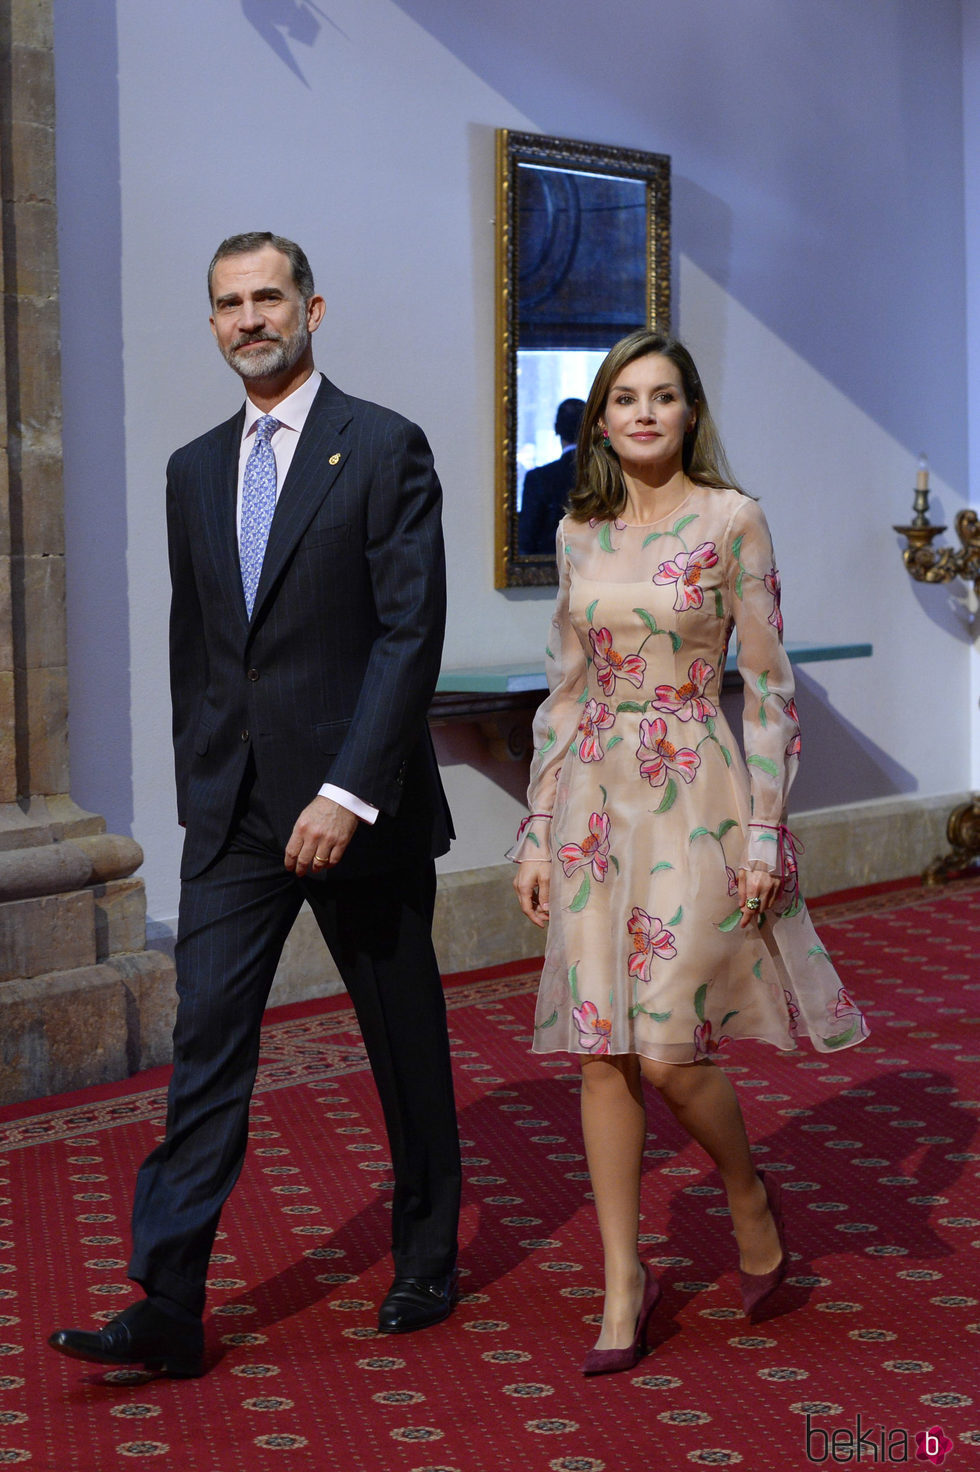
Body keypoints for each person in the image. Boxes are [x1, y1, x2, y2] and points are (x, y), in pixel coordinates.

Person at [49, 232, 462, 1378]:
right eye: (227, 303)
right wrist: (199, 776)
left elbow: (405, 634)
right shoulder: (191, 467)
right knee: (206, 1040)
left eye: (266, 296)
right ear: (214, 321)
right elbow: (204, 647)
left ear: (312, 307)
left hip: (352, 806)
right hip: (233, 814)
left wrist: (347, 789)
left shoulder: (381, 446)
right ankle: (170, 1299)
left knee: (400, 1037)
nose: (247, 318)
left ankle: (426, 1252)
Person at [510, 328, 868, 1376]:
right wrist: (535, 824)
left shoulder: (731, 519)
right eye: (625, 396)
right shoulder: (578, 530)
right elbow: (563, 688)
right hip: (589, 796)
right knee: (599, 1044)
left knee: (667, 1049)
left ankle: (746, 1190)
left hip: (694, 792)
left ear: (689, 412)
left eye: (663, 396)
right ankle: (623, 1279)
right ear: (602, 416)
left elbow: (765, 684)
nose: (643, 413)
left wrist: (764, 823)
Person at [518, 398, 586, 555]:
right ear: (589, 429)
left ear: (556, 429)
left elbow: (526, 541)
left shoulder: (538, 479)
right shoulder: (607, 477)